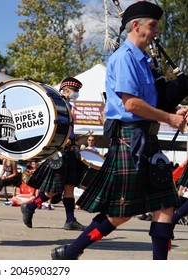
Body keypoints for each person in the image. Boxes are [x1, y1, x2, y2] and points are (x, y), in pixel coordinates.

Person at [51, 1, 187, 260]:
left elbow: (150, 103)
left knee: (165, 206)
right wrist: (168, 117)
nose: (157, 31)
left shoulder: (145, 61)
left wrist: (173, 110)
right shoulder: (125, 58)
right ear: (136, 26)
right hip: (129, 139)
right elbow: (131, 103)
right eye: (153, 25)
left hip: (147, 138)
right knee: (121, 212)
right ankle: (71, 252)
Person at [20, 76, 86, 231]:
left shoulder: (68, 106)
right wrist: (63, 140)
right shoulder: (58, 106)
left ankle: (70, 220)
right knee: (54, 188)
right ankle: (30, 207)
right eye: (75, 90)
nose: (76, 93)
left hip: (69, 151)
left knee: (69, 186)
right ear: (66, 90)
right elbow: (51, 126)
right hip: (60, 151)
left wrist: (73, 138)